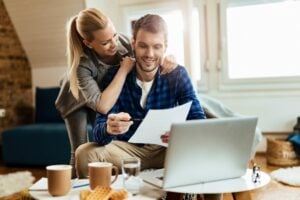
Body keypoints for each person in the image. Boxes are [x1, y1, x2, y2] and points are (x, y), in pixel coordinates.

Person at [55, 8, 176, 177]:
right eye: (105, 43)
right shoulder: (82, 67)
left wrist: (167, 57)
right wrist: (123, 69)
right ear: (88, 43)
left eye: (114, 36)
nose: (114, 44)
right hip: (77, 101)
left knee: (110, 140)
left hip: (106, 93)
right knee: (80, 151)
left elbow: (148, 55)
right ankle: (77, 191)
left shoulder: (124, 42)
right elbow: (103, 106)